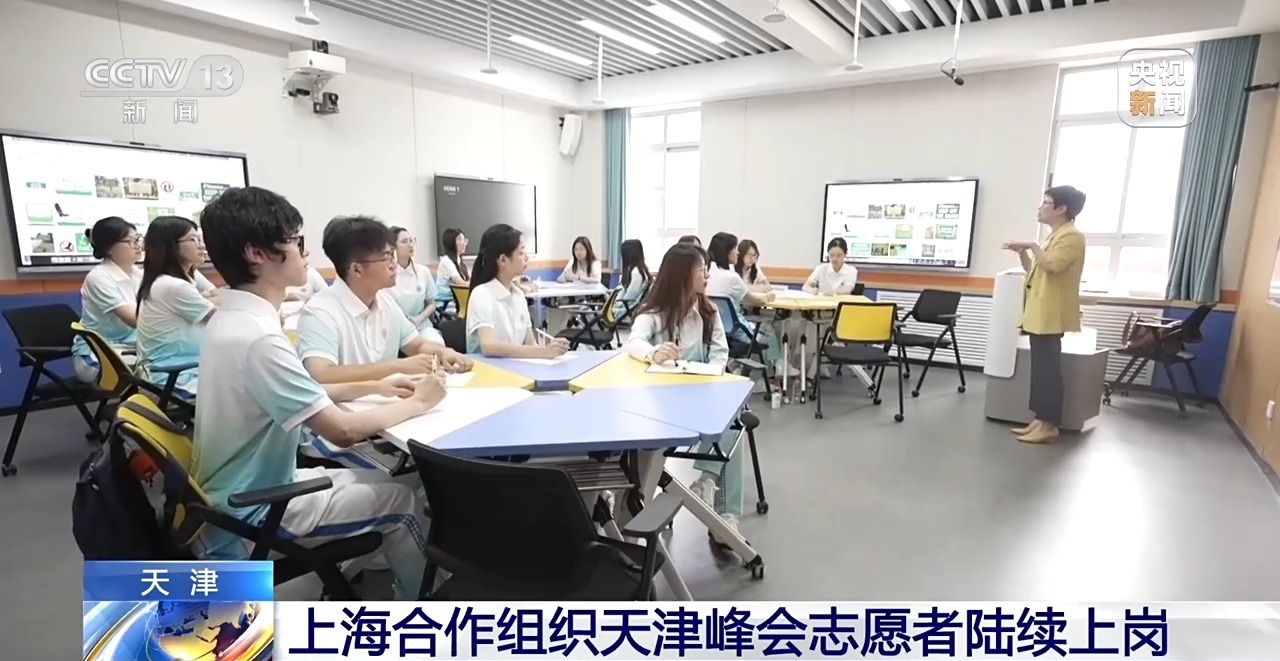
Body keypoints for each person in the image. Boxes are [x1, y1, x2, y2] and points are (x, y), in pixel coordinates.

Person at [191, 185, 445, 601]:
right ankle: (431, 611)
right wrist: (419, 402)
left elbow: (305, 390)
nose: (305, 252)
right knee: (401, 501)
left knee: (385, 481)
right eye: (295, 241)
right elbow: (342, 430)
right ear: (256, 253)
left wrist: (376, 386)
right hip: (256, 504)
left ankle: (348, 576)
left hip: (240, 489)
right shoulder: (259, 338)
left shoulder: (232, 320)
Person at [295, 217, 470, 462]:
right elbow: (321, 374)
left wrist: (442, 353)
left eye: (392, 255)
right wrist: (396, 366)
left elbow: (416, 344)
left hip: (387, 423)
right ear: (357, 269)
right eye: (386, 257)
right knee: (433, 471)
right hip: (338, 442)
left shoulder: (385, 302)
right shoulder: (320, 311)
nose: (394, 264)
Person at [624, 243, 747, 548]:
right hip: (660, 406)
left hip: (700, 398)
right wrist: (654, 353)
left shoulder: (708, 311)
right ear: (681, 275)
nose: (707, 275)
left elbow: (720, 353)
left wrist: (711, 375)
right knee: (731, 422)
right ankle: (712, 497)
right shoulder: (654, 313)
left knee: (734, 416)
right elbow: (633, 342)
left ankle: (718, 503)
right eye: (701, 270)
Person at [1003, 185, 1087, 444]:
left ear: (1062, 209)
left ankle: (1050, 424)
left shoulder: (1072, 236)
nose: (1040, 208)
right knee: (1040, 370)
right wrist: (1024, 254)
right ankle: (1040, 420)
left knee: (1048, 371)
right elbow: (1035, 270)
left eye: (1046, 203)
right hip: (1040, 313)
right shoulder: (1054, 236)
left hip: (1051, 314)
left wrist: (1031, 245)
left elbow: (1051, 266)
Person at [135, 216, 216, 398]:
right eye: (193, 240)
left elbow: (218, 299)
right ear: (171, 246)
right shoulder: (173, 286)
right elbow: (221, 319)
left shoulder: (171, 280)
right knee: (247, 398)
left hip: (179, 370)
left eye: (200, 239)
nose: (201, 245)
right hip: (172, 379)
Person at [467, 223, 569, 358]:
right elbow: (489, 346)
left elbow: (530, 343)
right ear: (503, 260)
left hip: (515, 368)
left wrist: (551, 349)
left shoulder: (519, 295)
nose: (526, 257)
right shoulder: (482, 294)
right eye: (521, 253)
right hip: (487, 369)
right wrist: (543, 352)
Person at [73, 217, 143, 383]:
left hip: (132, 349)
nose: (138, 245)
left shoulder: (137, 273)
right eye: (131, 241)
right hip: (100, 354)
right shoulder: (99, 277)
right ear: (110, 248)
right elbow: (135, 319)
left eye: (138, 239)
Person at [705, 232, 781, 374]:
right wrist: (768, 297)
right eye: (735, 249)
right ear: (726, 252)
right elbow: (755, 300)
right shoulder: (731, 277)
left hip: (714, 331)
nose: (738, 252)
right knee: (771, 329)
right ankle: (776, 370)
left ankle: (738, 366)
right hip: (736, 331)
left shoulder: (707, 273)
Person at [388, 226, 443, 345]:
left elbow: (431, 304)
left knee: (437, 343)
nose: (410, 245)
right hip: (395, 330)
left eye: (411, 240)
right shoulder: (387, 274)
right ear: (393, 247)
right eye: (404, 241)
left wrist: (419, 319)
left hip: (421, 325)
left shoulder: (423, 271)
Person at [615, 238, 651, 319]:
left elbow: (630, 297)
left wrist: (615, 303)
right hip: (627, 308)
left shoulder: (636, 273)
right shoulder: (639, 270)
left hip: (627, 311)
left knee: (592, 313)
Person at [435, 228, 469, 311]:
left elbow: (470, 280)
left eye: (464, 240)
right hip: (446, 304)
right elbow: (461, 284)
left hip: (458, 300)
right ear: (451, 242)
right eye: (460, 239)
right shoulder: (446, 261)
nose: (464, 243)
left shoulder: (459, 261)